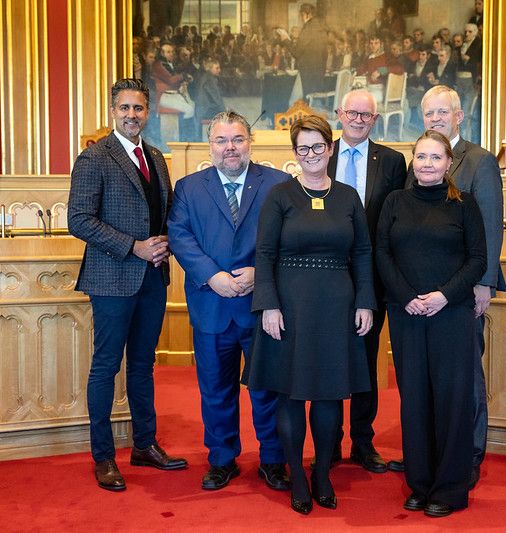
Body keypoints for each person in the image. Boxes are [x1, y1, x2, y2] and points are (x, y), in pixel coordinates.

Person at [244, 115, 376, 514]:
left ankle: (321, 474)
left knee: (329, 393)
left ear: (331, 148)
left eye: (318, 146)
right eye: (303, 148)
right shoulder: (280, 196)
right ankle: (297, 478)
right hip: (289, 306)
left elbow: (363, 253)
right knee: (290, 393)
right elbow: (264, 253)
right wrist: (267, 303)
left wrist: (365, 300)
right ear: (295, 153)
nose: (311, 155)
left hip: (337, 305)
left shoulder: (349, 197)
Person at [68, 78, 187, 491]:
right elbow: (79, 220)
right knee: (106, 366)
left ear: (147, 111)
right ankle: (103, 457)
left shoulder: (155, 157)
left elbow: (161, 213)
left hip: (153, 278)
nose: (132, 115)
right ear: (112, 111)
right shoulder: (94, 158)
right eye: (124, 108)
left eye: (138, 108)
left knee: (142, 366)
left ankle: (144, 444)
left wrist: (165, 242)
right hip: (112, 278)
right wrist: (133, 247)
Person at [167, 111, 291, 492]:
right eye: (221, 141)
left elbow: (290, 239)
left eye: (237, 139)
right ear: (211, 146)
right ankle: (222, 459)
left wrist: (259, 272)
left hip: (261, 307)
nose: (230, 148)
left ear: (250, 142)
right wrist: (212, 275)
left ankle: (273, 459)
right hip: (212, 305)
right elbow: (180, 235)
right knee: (215, 389)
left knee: (268, 390)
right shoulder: (189, 188)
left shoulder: (278, 184)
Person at [389, 86, 506, 488]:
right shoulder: (417, 160)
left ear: (459, 115)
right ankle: (428, 455)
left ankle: (468, 456)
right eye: (429, 113)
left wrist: (484, 283)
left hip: (462, 294)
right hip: (417, 300)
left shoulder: (480, 161)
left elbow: (489, 226)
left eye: (443, 111)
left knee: (465, 379)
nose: (436, 118)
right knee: (423, 381)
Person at [376, 129, 487, 518]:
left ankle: (450, 488)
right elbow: (382, 253)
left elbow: (477, 260)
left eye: (435, 157)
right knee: (415, 400)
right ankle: (420, 485)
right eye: (421, 157)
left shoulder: (465, 205)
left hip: (451, 314)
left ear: (447, 163)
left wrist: (442, 296)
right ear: (413, 161)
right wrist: (407, 297)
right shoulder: (395, 201)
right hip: (406, 314)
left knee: (452, 401)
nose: (427, 164)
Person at [325, 90, 406, 473]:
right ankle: (328, 443)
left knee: (364, 359)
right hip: (323, 277)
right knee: (326, 359)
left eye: (366, 115)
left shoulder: (392, 162)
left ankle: (362, 441)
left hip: (371, 279)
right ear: (339, 114)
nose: (358, 119)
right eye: (352, 112)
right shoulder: (320, 154)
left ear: (375, 120)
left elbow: (397, 221)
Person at [293, 3, 328, 96]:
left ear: (306, 14)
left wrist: (285, 40)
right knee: (316, 100)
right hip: (319, 72)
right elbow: (325, 53)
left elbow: (296, 52)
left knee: (308, 100)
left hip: (308, 73)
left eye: (301, 15)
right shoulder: (321, 27)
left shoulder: (308, 28)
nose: (301, 18)